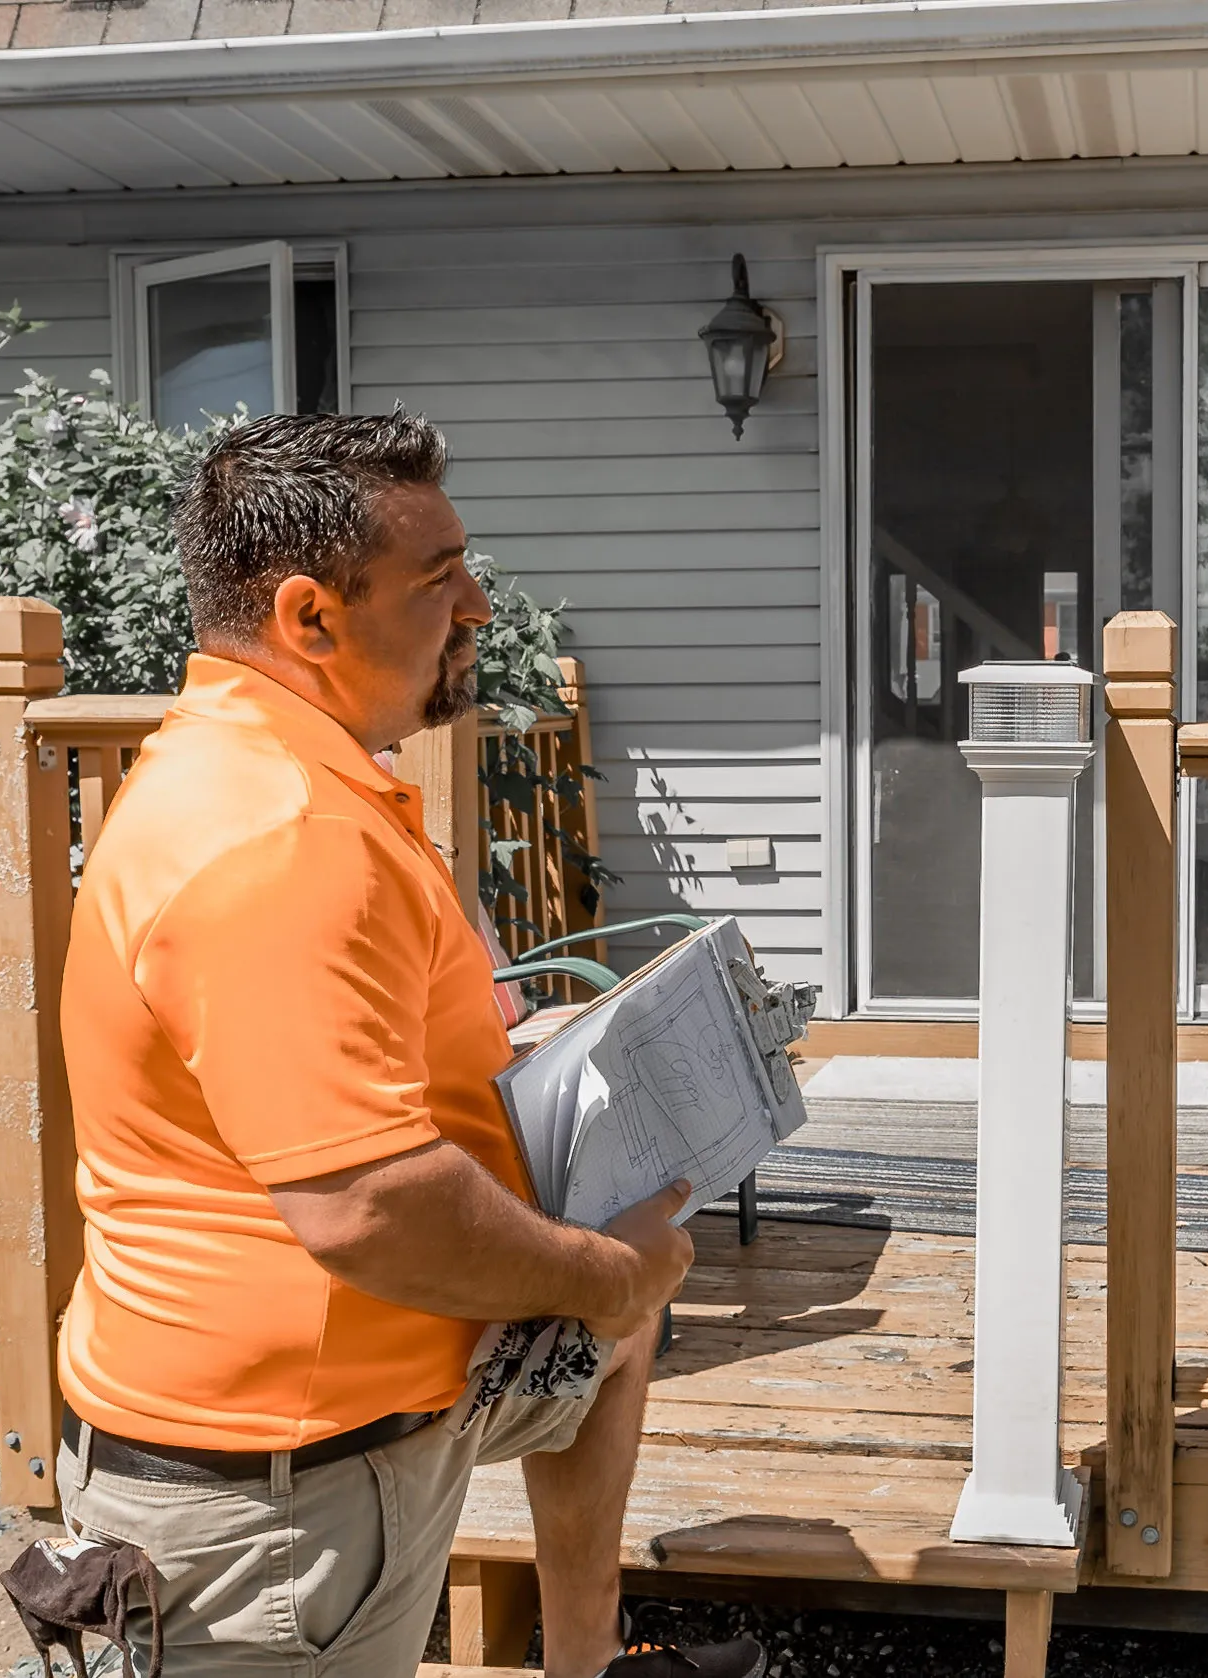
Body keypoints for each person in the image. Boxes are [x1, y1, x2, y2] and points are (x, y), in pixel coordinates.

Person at [51, 412, 766, 1678]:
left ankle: (585, 1658)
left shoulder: (269, 767)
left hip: (347, 1411)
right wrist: (598, 1270)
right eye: (440, 578)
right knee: (625, 1287)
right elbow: (369, 1206)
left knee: (618, 1327)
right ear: (310, 618)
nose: (478, 605)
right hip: (275, 1503)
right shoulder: (279, 837)